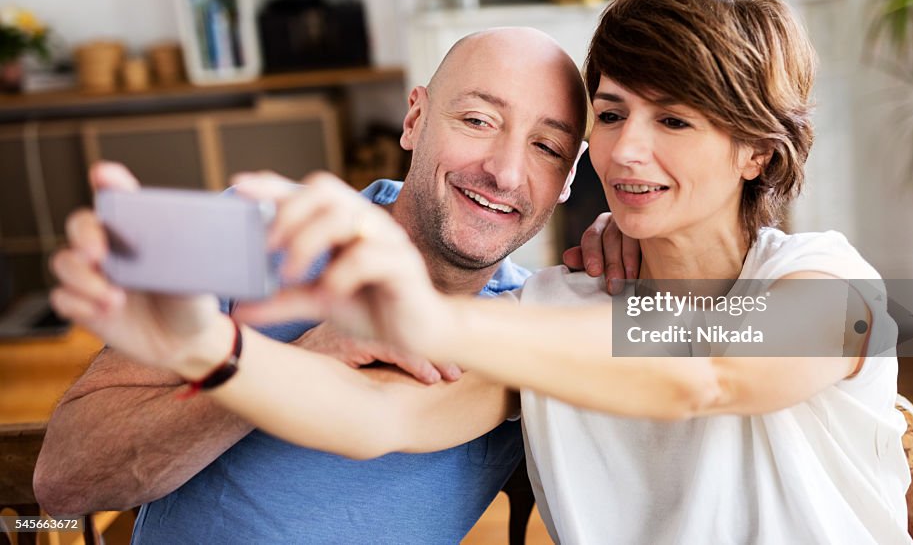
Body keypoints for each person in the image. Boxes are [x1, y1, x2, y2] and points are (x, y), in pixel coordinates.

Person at [54, 0, 913, 543]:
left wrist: (424, 315)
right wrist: (212, 351)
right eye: (611, 115)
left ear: (756, 153)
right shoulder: (546, 313)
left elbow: (711, 372)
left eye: (676, 121)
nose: (628, 153)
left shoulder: (834, 285)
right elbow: (373, 416)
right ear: (415, 117)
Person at [36, 27, 636, 543]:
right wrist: (300, 360)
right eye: (478, 120)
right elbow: (63, 480)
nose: (505, 171)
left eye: (546, 147)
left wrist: (647, 244)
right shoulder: (246, 220)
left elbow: (716, 345)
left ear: (568, 177)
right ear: (415, 118)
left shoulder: (534, 320)